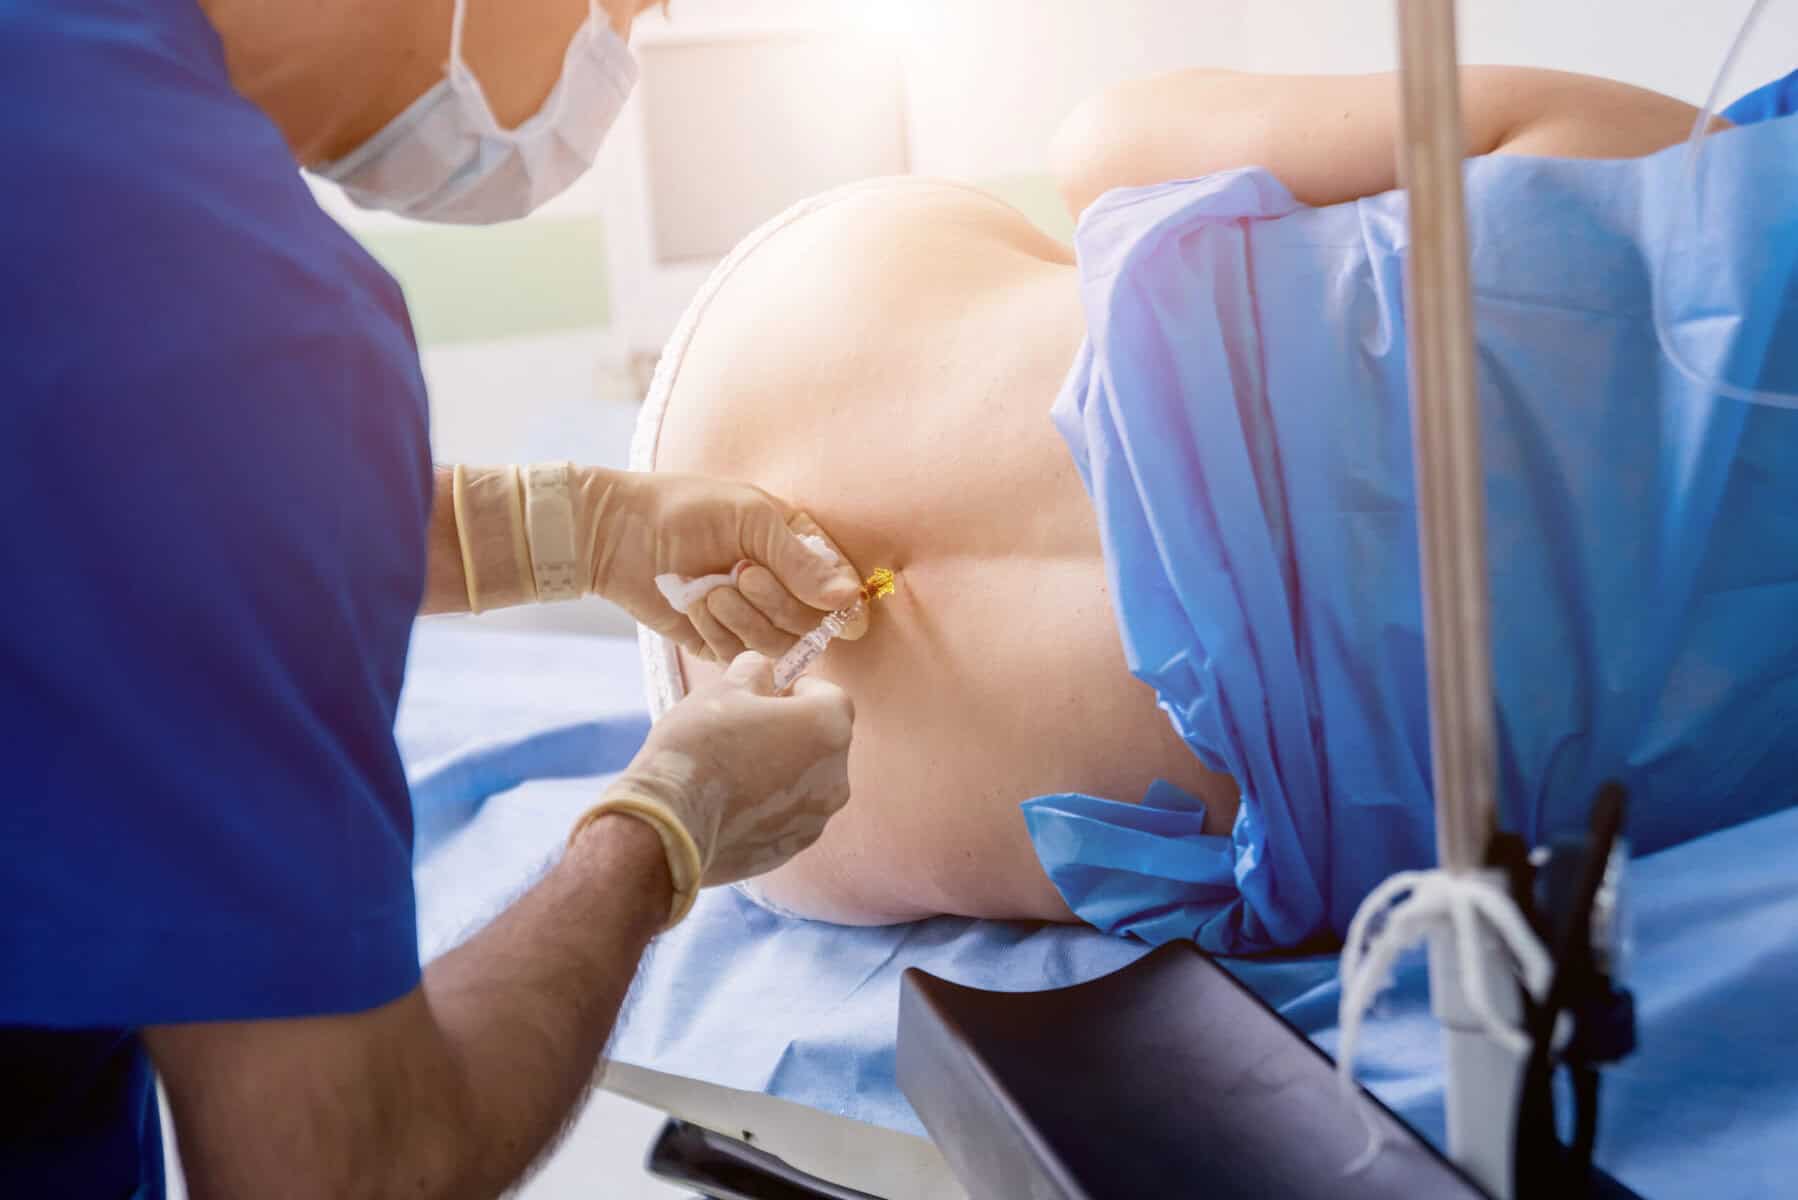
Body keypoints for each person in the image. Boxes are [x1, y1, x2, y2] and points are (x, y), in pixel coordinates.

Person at [1, 0, 864, 1196]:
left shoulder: (59, 111)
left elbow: (107, 495)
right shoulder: (220, 290)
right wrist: (663, 831)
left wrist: (582, 529)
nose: (607, 67)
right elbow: (347, 1167)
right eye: (624, 12)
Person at [641, 65, 1798, 945]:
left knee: (1110, 147)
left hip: (785, 759)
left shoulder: (1684, 186)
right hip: (811, 804)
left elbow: (1111, 152)